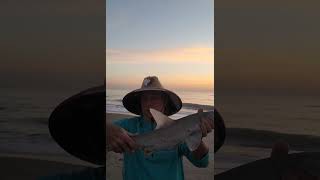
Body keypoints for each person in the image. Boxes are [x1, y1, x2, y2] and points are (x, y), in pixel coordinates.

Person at [109, 76, 214, 180]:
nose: (148, 103)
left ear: (165, 101)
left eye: (154, 98)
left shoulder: (181, 129)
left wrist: (197, 136)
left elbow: (202, 163)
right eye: (144, 99)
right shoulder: (127, 126)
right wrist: (108, 130)